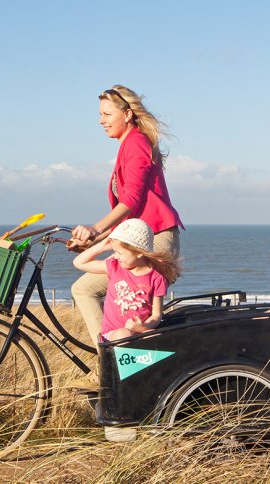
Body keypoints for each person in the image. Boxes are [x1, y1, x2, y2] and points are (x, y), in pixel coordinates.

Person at [68, 85, 184, 348]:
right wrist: (94, 240)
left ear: (128, 114)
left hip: (153, 240)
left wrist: (96, 230)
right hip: (140, 237)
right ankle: (114, 363)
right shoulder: (129, 145)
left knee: (84, 290)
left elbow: (131, 201)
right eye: (100, 114)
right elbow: (127, 218)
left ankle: (107, 363)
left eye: (107, 114)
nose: (101, 120)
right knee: (103, 300)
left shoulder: (136, 142)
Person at [71, 219, 180, 389]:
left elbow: (157, 315)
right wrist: (101, 246)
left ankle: (139, 383)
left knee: (164, 340)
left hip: (139, 333)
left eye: (120, 253)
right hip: (112, 335)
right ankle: (120, 383)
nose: (115, 256)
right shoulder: (115, 267)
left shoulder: (156, 278)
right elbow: (79, 262)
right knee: (122, 334)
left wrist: (142, 328)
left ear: (138, 252)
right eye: (115, 252)